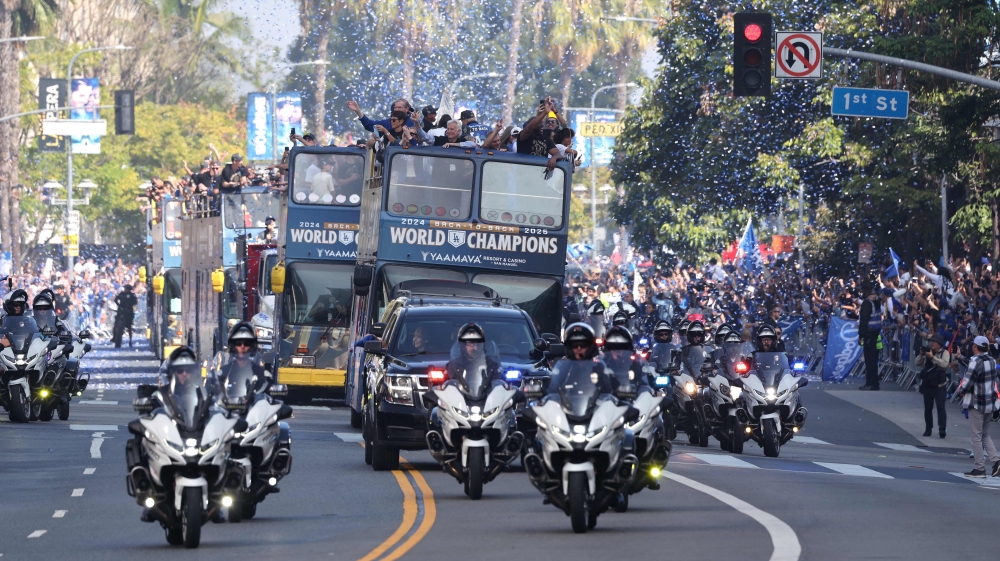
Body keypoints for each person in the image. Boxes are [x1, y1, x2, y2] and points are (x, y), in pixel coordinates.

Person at [955, 336, 1000, 477]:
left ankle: (980, 468)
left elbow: (967, 381)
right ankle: (996, 461)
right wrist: (960, 357)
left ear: (975, 346)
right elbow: (977, 368)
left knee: (976, 436)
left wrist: (959, 390)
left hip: (977, 403)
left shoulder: (975, 361)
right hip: (990, 402)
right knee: (984, 434)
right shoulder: (992, 361)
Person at [547, 323, 613, 395]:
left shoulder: (598, 367)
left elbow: (608, 392)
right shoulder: (562, 368)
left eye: (583, 345)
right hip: (565, 404)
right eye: (574, 345)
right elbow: (552, 391)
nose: (579, 348)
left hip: (596, 404)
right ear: (569, 347)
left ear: (590, 347)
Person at [916, 333, 950, 438]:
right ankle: (928, 428)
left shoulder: (944, 352)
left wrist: (933, 358)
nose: (932, 344)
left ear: (939, 344)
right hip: (928, 384)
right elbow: (917, 362)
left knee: (941, 407)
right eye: (931, 341)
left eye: (934, 342)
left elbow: (944, 364)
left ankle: (942, 429)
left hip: (940, 384)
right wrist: (922, 354)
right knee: (928, 408)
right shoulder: (927, 351)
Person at [602, 326, 650, 397]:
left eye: (622, 346)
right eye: (613, 346)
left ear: (628, 347)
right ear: (608, 348)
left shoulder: (636, 363)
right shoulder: (601, 365)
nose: (617, 350)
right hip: (608, 403)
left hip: (634, 402)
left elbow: (645, 386)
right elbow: (592, 388)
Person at [857, 282, 882, 390]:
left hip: (869, 334)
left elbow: (864, 320)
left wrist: (861, 335)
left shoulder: (867, 303)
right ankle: (873, 382)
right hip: (876, 333)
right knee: (874, 359)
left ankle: (871, 383)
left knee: (869, 360)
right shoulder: (876, 302)